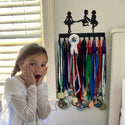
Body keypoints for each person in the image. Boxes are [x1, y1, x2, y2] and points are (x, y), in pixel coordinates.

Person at [3, 43, 51, 125]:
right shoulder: (12, 83)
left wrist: (38, 86)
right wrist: (32, 86)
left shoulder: (42, 84)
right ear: (21, 65)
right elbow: (29, 117)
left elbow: (44, 115)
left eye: (43, 65)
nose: (39, 70)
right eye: (32, 64)